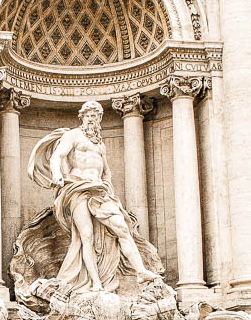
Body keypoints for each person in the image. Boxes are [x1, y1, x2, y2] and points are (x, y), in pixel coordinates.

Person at [28, 101, 160, 293]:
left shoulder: (100, 144)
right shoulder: (72, 135)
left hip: (99, 190)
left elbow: (106, 171)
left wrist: (108, 188)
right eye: (89, 115)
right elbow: (57, 156)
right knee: (86, 236)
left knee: (122, 228)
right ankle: (95, 283)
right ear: (82, 117)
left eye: (96, 116)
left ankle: (140, 272)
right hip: (77, 187)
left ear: (99, 119)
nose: (92, 119)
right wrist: (57, 174)